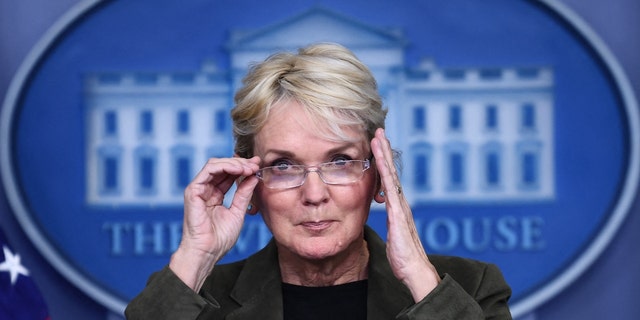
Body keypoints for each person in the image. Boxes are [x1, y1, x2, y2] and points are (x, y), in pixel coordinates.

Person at [125, 43, 512, 319]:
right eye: (283, 166)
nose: (314, 194)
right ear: (250, 186)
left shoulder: (468, 287)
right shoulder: (197, 299)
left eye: (340, 161)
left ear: (379, 176)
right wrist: (196, 257)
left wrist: (418, 277)